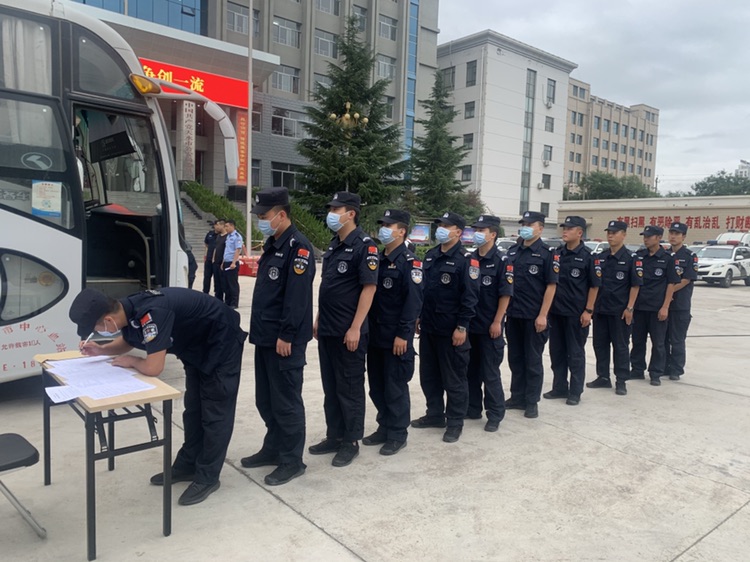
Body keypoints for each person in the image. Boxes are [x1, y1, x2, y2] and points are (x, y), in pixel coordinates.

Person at [69, 287, 245, 506]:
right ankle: (187, 465)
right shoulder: (128, 309)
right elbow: (130, 340)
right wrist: (101, 349)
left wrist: (133, 361)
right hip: (195, 347)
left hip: (221, 343)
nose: (97, 333)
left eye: (96, 329)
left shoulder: (152, 313)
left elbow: (153, 367)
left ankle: (208, 477)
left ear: (108, 320)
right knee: (193, 411)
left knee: (215, 413)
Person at [239, 188, 315, 485]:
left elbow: (297, 298)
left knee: (286, 402)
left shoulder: (299, 248)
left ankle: (292, 460)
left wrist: (287, 334)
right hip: (265, 336)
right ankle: (273, 448)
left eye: (264, 215)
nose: (260, 219)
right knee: (266, 399)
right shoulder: (273, 244)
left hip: (285, 340)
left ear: (281, 215)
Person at [310, 192, 378, 467]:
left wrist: (356, 327)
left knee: (349, 388)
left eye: (336, 209)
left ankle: (350, 441)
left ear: (351, 213)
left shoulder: (365, 246)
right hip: (328, 327)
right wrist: (318, 317)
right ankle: (334, 435)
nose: (331, 213)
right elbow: (328, 287)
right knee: (331, 387)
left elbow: (369, 288)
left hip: (349, 330)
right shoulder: (334, 245)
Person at [411, 211, 479, 443]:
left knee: (454, 379)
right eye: (440, 225)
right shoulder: (431, 255)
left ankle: (455, 422)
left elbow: (470, 297)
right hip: (429, 327)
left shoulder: (467, 260)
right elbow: (424, 290)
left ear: (458, 232)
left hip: (451, 331)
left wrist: (462, 327)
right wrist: (419, 316)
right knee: (429, 376)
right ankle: (435, 414)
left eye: (446, 226)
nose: (441, 229)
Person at [363, 209, 423, 456]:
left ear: (401, 231)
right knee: (376, 386)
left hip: (395, 337)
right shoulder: (376, 259)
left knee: (395, 387)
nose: (383, 229)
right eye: (383, 225)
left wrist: (404, 335)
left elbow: (413, 302)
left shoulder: (410, 263)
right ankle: (384, 426)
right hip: (375, 335)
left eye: (389, 226)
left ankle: (398, 433)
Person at [503, 211, 558, 419]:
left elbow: (551, 286)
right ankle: (517, 396)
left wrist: (543, 315)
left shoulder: (547, 254)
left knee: (533, 360)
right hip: (514, 314)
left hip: (534, 316)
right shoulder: (513, 251)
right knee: (515, 358)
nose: (525, 227)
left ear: (540, 228)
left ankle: (532, 401)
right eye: (523, 224)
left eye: (529, 224)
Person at [543, 216, 600, 406]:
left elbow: (594, 286)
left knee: (575, 354)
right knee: (556, 352)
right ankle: (560, 387)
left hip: (576, 314)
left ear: (580, 232)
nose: (565, 231)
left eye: (569, 228)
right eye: (564, 228)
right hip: (556, 312)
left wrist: (588, 311)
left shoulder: (588, 256)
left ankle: (575, 391)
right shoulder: (557, 254)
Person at [466, 215, 512, 432]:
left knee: (490, 372)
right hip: (471, 325)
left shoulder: (502, 261)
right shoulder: (470, 258)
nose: (477, 233)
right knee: (470, 371)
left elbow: (505, 294)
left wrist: (497, 321)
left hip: (489, 326)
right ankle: (472, 408)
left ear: (493, 234)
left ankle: (495, 414)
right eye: (475, 229)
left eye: (481, 230)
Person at [587, 220, 642, 396]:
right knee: (600, 345)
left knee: (621, 346)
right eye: (609, 232)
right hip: (601, 310)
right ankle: (603, 377)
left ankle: (621, 380)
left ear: (623, 235)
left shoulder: (631, 258)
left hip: (620, 311)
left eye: (614, 232)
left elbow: (635, 285)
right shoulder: (601, 257)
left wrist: (630, 308)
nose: (610, 236)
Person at [630, 225, 680, 386]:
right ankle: (637, 369)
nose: (645, 239)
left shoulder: (668, 258)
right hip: (639, 307)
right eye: (644, 236)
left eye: (649, 236)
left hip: (657, 308)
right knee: (637, 341)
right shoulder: (639, 256)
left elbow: (671, 284)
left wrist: (665, 307)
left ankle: (656, 373)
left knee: (658, 343)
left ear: (658, 238)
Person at [664, 222, 699, 381]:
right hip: (664, 305)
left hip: (680, 305)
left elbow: (686, 280)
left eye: (677, 234)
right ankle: (664, 366)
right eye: (671, 233)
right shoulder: (665, 255)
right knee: (662, 339)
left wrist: (668, 292)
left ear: (683, 237)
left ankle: (676, 369)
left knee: (677, 339)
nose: (673, 236)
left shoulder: (690, 256)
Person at [222, 219, 244, 309]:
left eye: (227, 226)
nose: (225, 228)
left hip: (232, 263)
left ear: (232, 226)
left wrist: (234, 262)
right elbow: (226, 250)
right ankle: (227, 301)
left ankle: (234, 303)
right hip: (226, 262)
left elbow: (237, 250)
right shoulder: (228, 236)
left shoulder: (237, 236)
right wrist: (223, 262)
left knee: (232, 284)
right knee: (226, 284)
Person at [203, 220, 220, 294]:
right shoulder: (210, 234)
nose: (218, 226)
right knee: (207, 277)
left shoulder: (221, 235)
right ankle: (205, 292)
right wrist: (205, 255)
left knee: (217, 278)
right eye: (216, 225)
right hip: (209, 259)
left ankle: (217, 293)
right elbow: (206, 244)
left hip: (217, 260)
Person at [212, 219, 227, 302]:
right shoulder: (218, 236)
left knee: (223, 281)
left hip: (222, 262)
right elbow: (216, 248)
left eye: (218, 225)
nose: (216, 227)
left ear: (222, 225)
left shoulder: (227, 237)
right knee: (216, 281)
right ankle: (218, 297)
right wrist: (213, 258)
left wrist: (223, 261)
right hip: (216, 262)